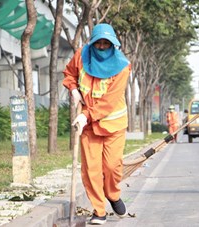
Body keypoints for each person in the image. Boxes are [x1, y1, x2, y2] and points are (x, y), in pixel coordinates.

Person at [63, 23, 130, 225]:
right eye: (98, 43)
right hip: (89, 127)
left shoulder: (122, 66)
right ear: (92, 42)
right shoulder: (81, 56)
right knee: (91, 169)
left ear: (113, 45)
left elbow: (109, 101)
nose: (101, 47)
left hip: (113, 124)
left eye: (106, 44)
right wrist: (73, 89)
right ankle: (99, 210)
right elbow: (69, 74)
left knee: (111, 167)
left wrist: (85, 115)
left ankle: (113, 194)